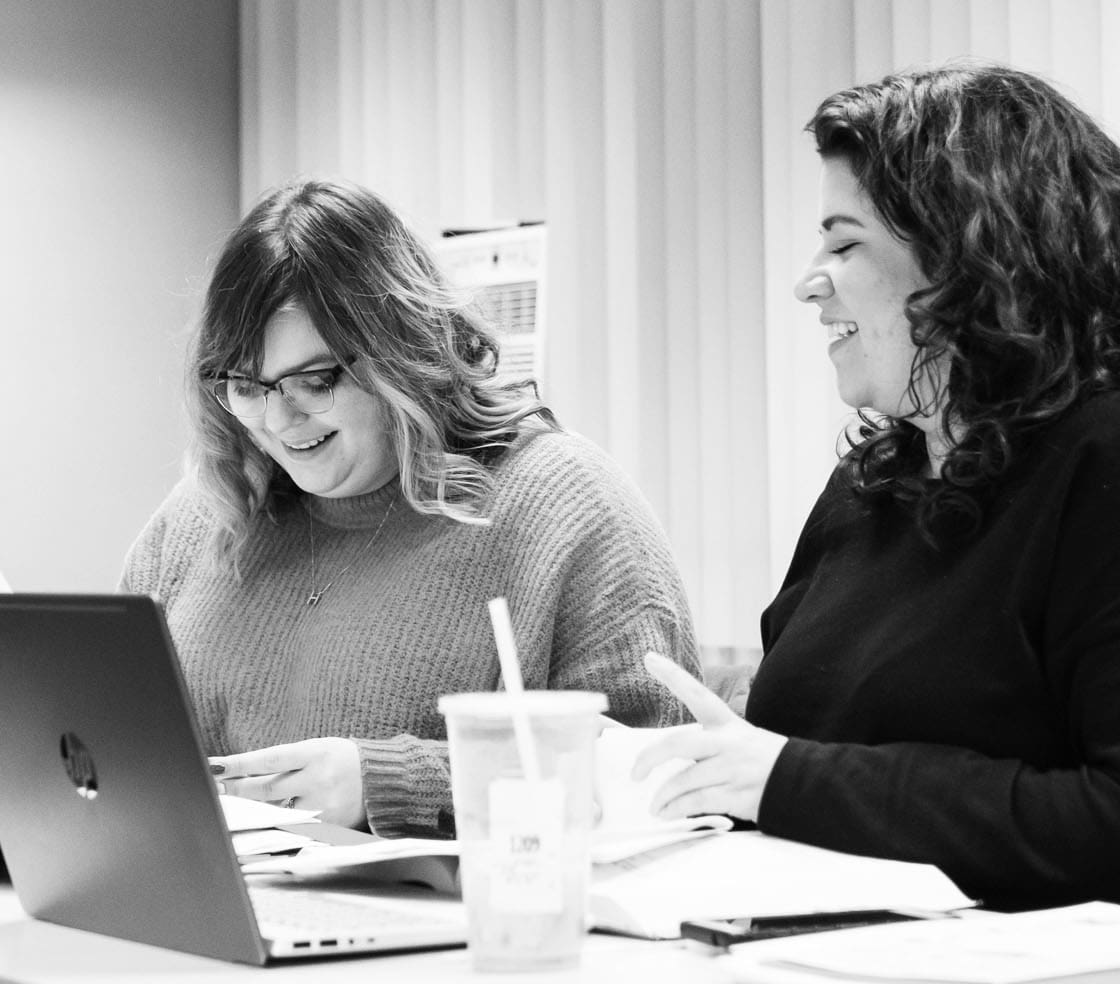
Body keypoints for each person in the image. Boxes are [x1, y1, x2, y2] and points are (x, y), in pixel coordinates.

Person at [634, 63, 1120, 918]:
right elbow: (793, 774)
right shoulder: (873, 485)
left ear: (968, 262)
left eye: (844, 244)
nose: (807, 282)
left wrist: (792, 779)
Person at [121, 177, 700, 838]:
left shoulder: (559, 504)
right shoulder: (204, 514)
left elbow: (655, 773)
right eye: (248, 385)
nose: (281, 419)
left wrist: (393, 784)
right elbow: (109, 743)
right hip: (209, 919)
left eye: (316, 380)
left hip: (467, 930)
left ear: (403, 353)